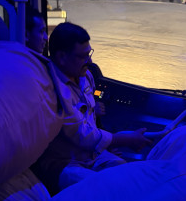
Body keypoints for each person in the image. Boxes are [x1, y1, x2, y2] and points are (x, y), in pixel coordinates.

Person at [35, 22, 152, 192]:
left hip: (91, 154)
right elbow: (81, 134)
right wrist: (122, 140)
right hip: (63, 162)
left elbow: (91, 121)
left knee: (126, 174)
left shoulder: (86, 75)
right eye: (82, 56)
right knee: (100, 188)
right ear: (61, 57)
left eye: (89, 53)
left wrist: (107, 145)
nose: (89, 61)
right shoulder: (51, 88)